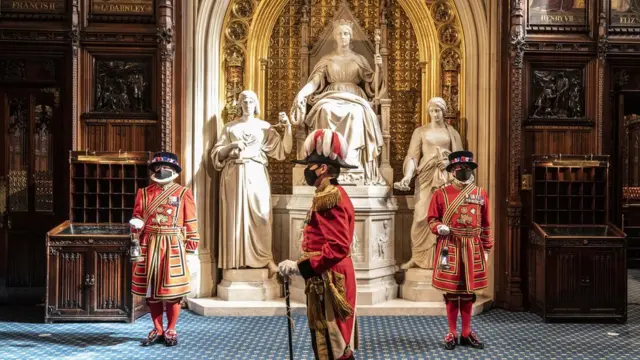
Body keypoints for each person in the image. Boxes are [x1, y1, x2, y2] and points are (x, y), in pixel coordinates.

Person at [278, 129, 358, 360]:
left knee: (333, 341)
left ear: (322, 168)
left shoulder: (329, 196)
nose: (307, 171)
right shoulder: (329, 193)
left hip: (330, 277)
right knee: (327, 338)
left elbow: (338, 246)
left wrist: (300, 267)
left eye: (310, 166)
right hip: (326, 274)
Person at [290, 19, 385, 184]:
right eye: (340, 33)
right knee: (325, 110)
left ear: (351, 36)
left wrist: (379, 67)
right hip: (331, 95)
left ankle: (351, 162)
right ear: (335, 37)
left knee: (356, 113)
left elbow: (374, 85)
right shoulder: (327, 59)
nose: (343, 36)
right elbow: (314, 82)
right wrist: (302, 94)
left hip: (355, 97)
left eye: (346, 33)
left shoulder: (359, 59)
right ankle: (327, 162)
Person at [211, 90, 292, 274]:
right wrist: (230, 147)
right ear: (239, 104)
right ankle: (236, 261)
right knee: (235, 217)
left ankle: (265, 259)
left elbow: (283, 150)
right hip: (234, 174)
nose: (248, 104)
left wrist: (287, 127)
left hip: (256, 172)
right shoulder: (229, 127)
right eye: (244, 101)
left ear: (256, 105)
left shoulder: (264, 127)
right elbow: (216, 155)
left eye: (251, 101)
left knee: (262, 216)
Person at [129, 151, 200, 346]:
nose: (162, 171)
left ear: (174, 170)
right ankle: (157, 328)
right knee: (151, 291)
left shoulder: (183, 193)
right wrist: (135, 223)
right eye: (158, 167)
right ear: (153, 170)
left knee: (173, 290)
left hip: (173, 243)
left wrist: (193, 240)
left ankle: (171, 328)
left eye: (166, 167)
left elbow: (191, 219)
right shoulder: (143, 193)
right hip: (149, 243)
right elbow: (138, 215)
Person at [427, 150, 493, 350]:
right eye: (458, 168)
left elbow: (487, 224)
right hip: (450, 246)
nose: (462, 171)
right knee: (451, 291)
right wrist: (439, 227)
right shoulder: (441, 193)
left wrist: (487, 248)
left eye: (466, 168)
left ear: (471, 169)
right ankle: (451, 332)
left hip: (473, 246)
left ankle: (466, 332)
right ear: (452, 170)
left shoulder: (480, 193)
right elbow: (431, 219)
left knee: (467, 292)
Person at [394, 97, 463, 270]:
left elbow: (461, 156)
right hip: (425, 176)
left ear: (444, 111)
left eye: (438, 110)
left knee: (445, 217)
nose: (435, 114)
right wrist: (407, 177)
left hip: (446, 177)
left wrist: (450, 164)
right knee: (420, 216)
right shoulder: (420, 132)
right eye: (432, 111)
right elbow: (412, 156)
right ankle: (417, 257)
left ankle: (444, 258)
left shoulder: (452, 132)